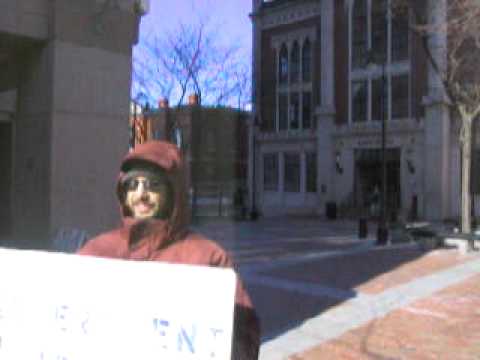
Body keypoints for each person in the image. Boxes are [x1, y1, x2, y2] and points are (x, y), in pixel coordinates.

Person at [78, 140, 260, 359]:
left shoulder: (208, 258)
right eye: (133, 185)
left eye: (153, 185)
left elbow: (243, 338)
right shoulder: (96, 251)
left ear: (173, 192)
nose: (141, 194)